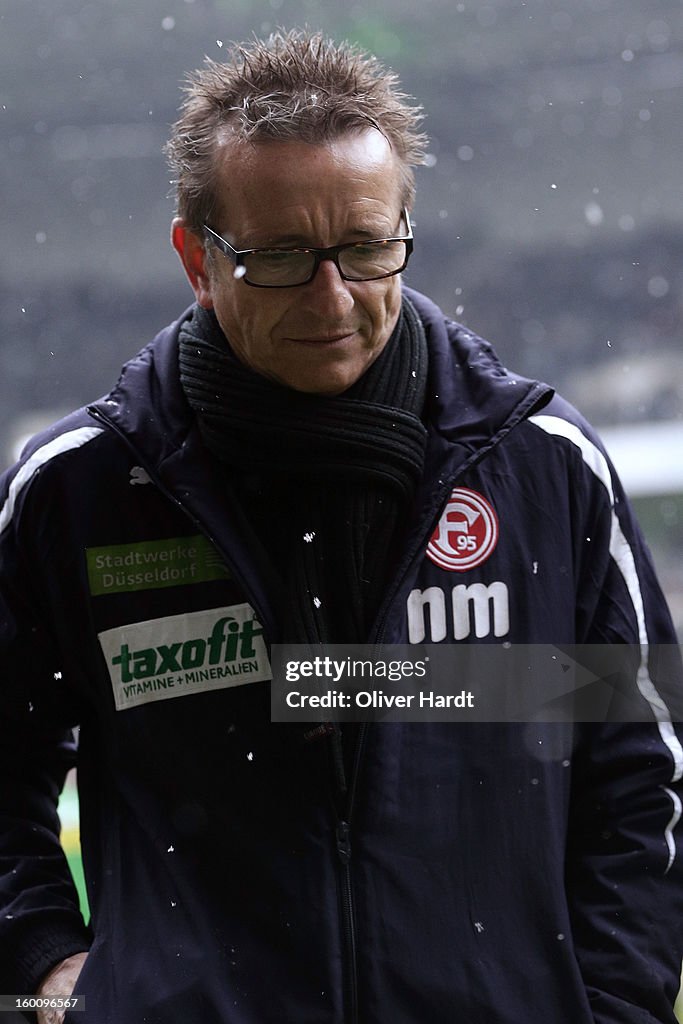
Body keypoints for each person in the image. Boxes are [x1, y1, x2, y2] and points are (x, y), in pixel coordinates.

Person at [0, 29, 682, 1024]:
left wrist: (615, 1009)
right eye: (280, 257)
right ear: (197, 257)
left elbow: (640, 767)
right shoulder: (85, 490)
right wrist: (48, 963)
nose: (333, 295)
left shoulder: (539, 463)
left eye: (365, 248)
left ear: (404, 226)